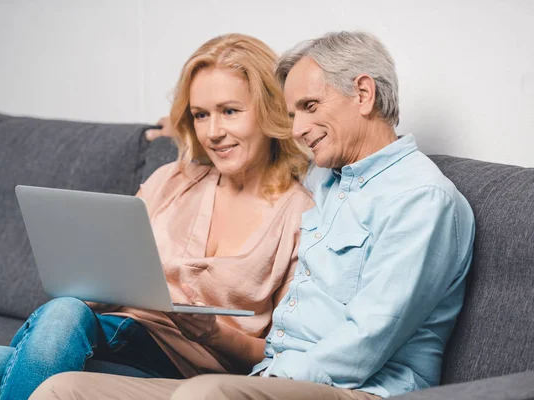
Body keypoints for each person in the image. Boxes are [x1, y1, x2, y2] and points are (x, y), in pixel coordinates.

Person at [30, 30, 476, 400]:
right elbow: (253, 146)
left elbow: (365, 343)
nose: (297, 128)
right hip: (268, 375)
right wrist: (194, 125)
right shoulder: (328, 179)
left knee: (202, 396)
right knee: (63, 390)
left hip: (361, 388)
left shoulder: (420, 200)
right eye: (290, 113)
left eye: (310, 107)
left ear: (363, 93)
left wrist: (263, 382)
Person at [0, 33, 314, 400]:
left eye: (229, 111)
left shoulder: (300, 215)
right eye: (201, 115)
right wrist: (93, 287)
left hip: (190, 369)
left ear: (269, 110)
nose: (213, 132)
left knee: (23, 340)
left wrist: (210, 331)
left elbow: (279, 352)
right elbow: (108, 273)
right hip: (117, 338)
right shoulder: (173, 179)